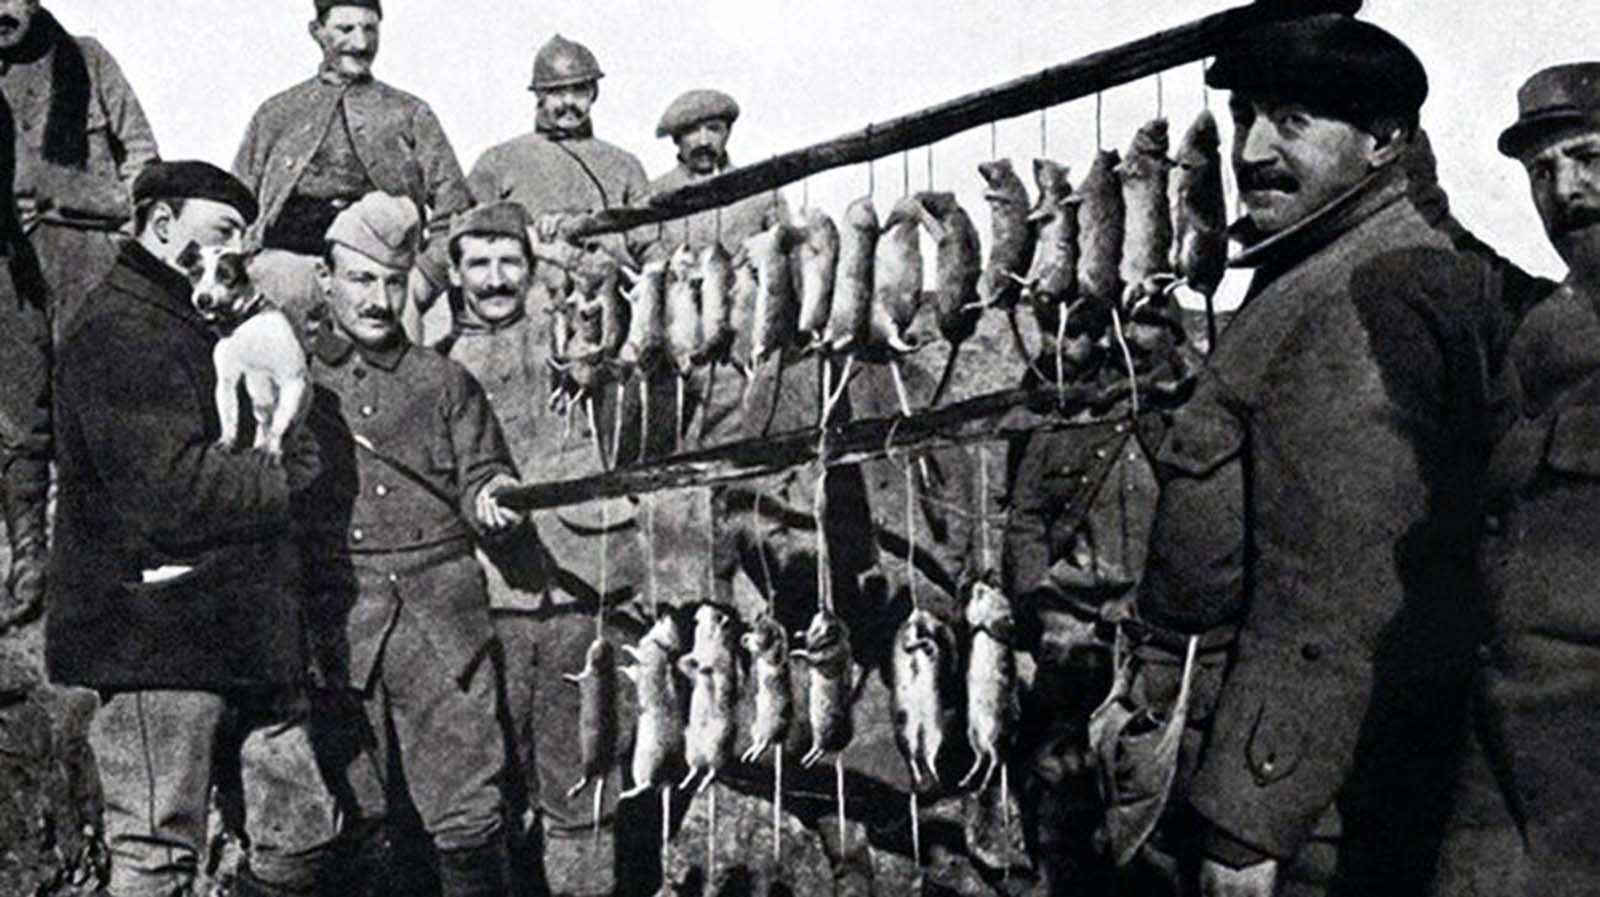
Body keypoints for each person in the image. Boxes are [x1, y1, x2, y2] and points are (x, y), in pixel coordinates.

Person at [1119, 15, 1517, 897]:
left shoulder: (1360, 298)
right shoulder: (1321, 259)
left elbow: (1333, 600)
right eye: (1245, 117)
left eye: (1293, 121)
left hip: (1307, 820)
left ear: (1383, 142)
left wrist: (1250, 823)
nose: (1253, 149)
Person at [45, 160, 330, 897]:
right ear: (163, 226)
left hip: (238, 626)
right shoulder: (119, 328)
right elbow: (166, 491)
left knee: (298, 836)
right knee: (156, 849)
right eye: (223, 229)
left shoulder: (197, 317)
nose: (238, 246)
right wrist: (283, 476)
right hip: (155, 640)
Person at [296, 191, 522, 897]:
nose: (379, 298)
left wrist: (491, 497)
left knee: (468, 813)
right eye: (361, 279)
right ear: (326, 279)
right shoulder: (296, 376)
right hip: (338, 620)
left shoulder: (445, 380)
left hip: (441, 622)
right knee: (355, 810)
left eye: (394, 281)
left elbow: (484, 467)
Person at [441, 200, 648, 897]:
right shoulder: (444, 357)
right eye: (479, 264)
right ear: (455, 272)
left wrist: (571, 261)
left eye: (509, 262)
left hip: (584, 586)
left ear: (531, 269)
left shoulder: (569, 332)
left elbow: (618, 285)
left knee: (584, 776)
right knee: (495, 778)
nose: (495, 279)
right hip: (493, 593)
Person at [1431, 62, 1600, 897]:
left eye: (1592, 158)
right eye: (1543, 171)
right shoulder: (1546, 325)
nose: (1567, 190)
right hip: (1497, 782)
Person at [0, 0, 158, 630]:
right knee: (17, 420)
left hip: (88, 262)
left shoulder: (88, 62)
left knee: (97, 410)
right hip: (5, 271)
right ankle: (28, 559)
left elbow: (145, 176)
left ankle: (101, 558)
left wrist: (62, 193)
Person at [233, 0, 471, 340]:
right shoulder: (275, 114)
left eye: (370, 29)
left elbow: (456, 208)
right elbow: (236, 206)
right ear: (316, 32)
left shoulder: (411, 113)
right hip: (285, 271)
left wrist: (424, 277)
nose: (360, 43)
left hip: (381, 274)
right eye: (346, 29)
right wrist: (249, 267)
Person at [466, 33, 651, 267]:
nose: (568, 102)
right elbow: (471, 244)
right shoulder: (498, 162)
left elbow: (649, 248)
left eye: (579, 90)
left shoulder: (625, 165)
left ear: (594, 93)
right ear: (540, 96)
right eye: (557, 92)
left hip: (609, 295)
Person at [641, 88, 788, 255]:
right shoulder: (654, 195)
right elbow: (646, 254)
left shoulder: (762, 192)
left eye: (713, 129)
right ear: (676, 138)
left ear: (727, 133)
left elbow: (785, 250)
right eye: (692, 131)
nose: (704, 141)